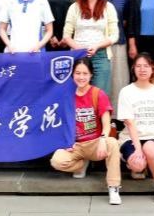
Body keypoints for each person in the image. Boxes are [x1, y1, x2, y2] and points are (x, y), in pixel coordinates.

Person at [49, 57, 124, 206]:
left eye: (85, 73)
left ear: (91, 75)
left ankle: (113, 187)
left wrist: (102, 139)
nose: (81, 77)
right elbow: (63, 123)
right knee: (56, 161)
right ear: (73, 75)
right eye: (78, 73)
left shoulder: (98, 94)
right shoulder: (68, 95)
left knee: (113, 143)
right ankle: (81, 164)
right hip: (76, 145)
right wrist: (67, 142)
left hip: (96, 143)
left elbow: (106, 123)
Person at [117, 53, 154, 202]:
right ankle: (147, 165)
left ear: (152, 68)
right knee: (137, 165)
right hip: (130, 138)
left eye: (146, 66)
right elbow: (130, 123)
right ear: (133, 69)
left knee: (149, 149)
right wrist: (138, 149)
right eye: (138, 66)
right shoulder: (126, 91)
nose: (142, 69)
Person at [63, 0, 119, 92]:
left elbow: (114, 35)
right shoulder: (74, 7)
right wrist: (79, 48)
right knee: (78, 93)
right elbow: (66, 35)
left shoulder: (108, 7)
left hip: (101, 55)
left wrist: (97, 46)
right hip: (78, 55)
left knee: (99, 94)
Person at [101, 0, 132, 104]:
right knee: (101, 80)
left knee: (119, 80)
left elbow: (125, 20)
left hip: (118, 43)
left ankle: (117, 114)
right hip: (98, 43)